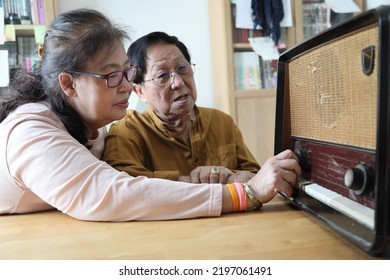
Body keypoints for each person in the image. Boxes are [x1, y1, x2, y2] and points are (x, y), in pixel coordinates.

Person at [0, 8, 301, 222]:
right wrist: (243, 193)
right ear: (68, 84)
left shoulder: (95, 132)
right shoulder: (32, 132)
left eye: (126, 71)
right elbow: (114, 193)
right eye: (111, 75)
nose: (126, 85)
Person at [103, 31, 260, 184]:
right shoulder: (127, 132)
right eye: (162, 75)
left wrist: (230, 175)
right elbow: (123, 186)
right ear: (139, 91)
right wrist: (195, 183)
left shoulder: (221, 122)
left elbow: (256, 177)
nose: (178, 82)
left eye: (182, 69)